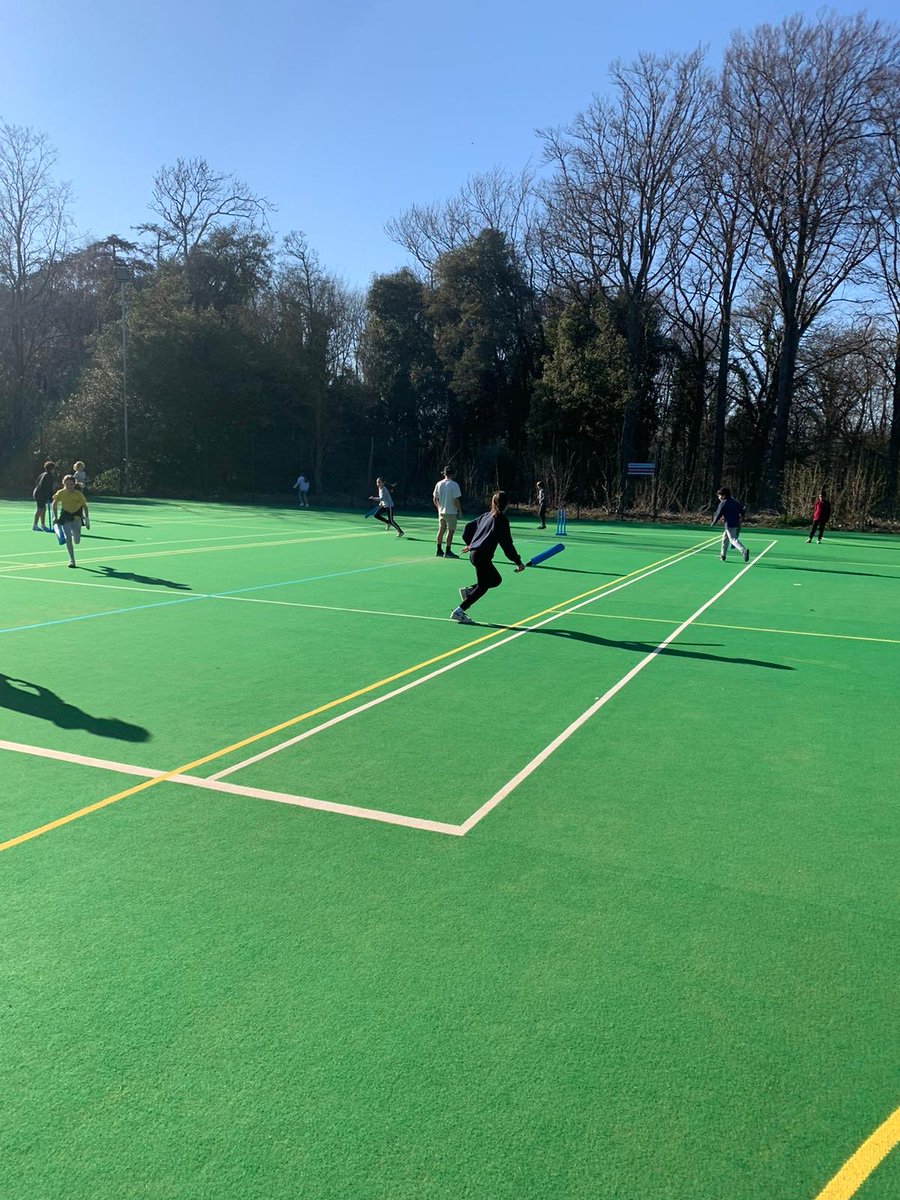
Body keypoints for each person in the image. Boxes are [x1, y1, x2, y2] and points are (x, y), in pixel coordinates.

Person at [451, 491, 525, 624]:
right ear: (507, 504)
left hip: (475, 555)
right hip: (482, 556)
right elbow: (507, 544)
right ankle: (459, 611)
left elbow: (467, 529)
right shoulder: (501, 519)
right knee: (483, 586)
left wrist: (470, 544)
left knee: (496, 580)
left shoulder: (486, 516)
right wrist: (518, 561)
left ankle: (469, 591)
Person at [51, 474, 90, 568]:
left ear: (74, 484)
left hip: (76, 517)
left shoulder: (78, 494)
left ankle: (74, 533)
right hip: (65, 516)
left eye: (71, 484)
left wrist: (87, 520)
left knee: (77, 541)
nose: (69, 486)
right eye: (67, 484)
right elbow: (54, 505)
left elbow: (85, 507)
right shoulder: (60, 493)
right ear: (63, 484)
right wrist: (55, 517)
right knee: (68, 538)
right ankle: (72, 560)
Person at [711, 486, 749, 563]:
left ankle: (743, 550)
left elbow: (718, 514)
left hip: (729, 524)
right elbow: (742, 511)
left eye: (719, 495)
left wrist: (713, 522)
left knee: (733, 539)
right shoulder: (735, 502)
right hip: (737, 523)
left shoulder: (723, 503)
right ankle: (723, 555)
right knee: (725, 538)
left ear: (724, 495)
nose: (719, 497)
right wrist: (742, 518)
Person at [433, 465, 462, 558]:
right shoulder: (454, 485)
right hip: (451, 512)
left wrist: (439, 508)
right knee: (450, 531)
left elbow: (435, 499)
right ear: (452, 474)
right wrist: (460, 511)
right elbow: (456, 500)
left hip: (441, 512)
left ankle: (439, 550)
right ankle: (448, 551)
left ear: (444, 474)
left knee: (441, 530)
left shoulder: (439, 484)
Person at [32, 461, 56, 531]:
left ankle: (43, 525)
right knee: (40, 509)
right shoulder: (48, 475)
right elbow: (46, 486)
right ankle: (35, 525)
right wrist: (49, 495)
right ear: (52, 469)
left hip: (40, 493)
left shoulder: (43, 474)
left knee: (43, 509)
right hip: (40, 494)